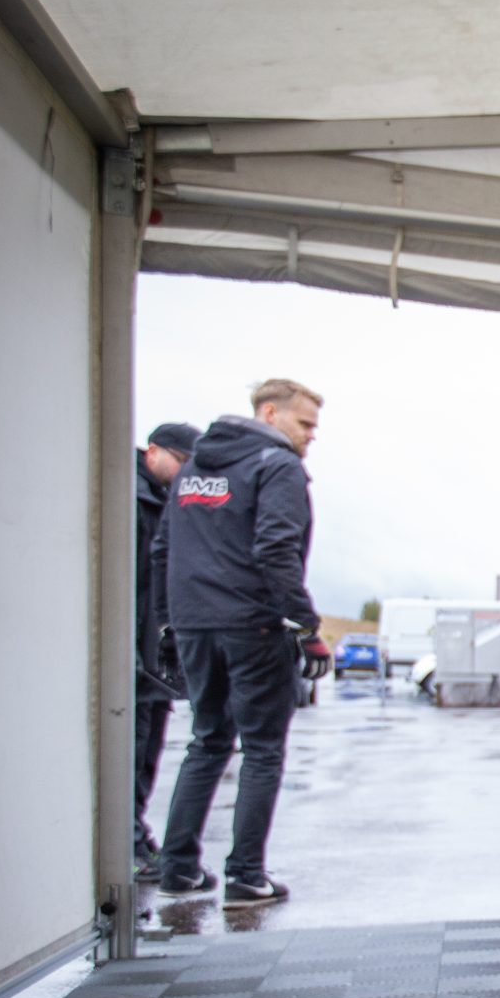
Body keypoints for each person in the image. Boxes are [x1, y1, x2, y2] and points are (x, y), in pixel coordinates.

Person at [152, 379, 333, 905]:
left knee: (207, 741)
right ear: (270, 413)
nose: (311, 435)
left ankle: (177, 868)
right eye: (305, 423)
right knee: (262, 750)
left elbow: (162, 550)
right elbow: (276, 549)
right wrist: (307, 628)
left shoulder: (191, 471)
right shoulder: (277, 466)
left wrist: (170, 624)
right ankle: (246, 875)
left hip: (194, 625)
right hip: (253, 625)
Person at [131, 422, 198, 880]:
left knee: (148, 747)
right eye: (182, 463)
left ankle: (137, 838)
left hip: (155, 650)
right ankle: (128, 844)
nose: (186, 474)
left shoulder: (164, 498)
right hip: (134, 649)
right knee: (131, 748)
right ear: (153, 451)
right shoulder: (130, 496)